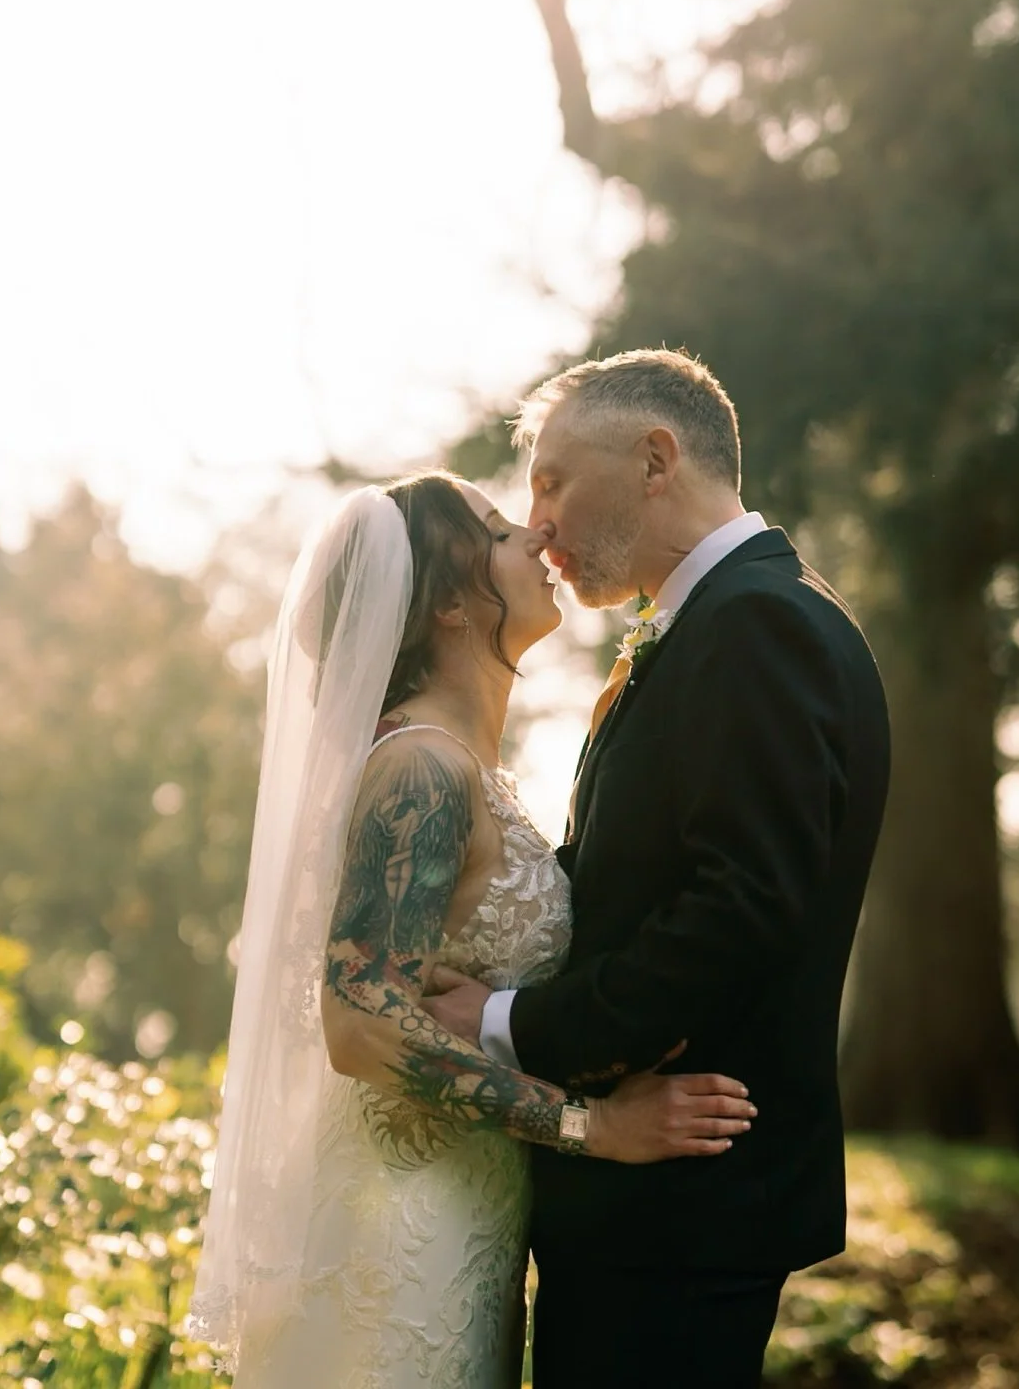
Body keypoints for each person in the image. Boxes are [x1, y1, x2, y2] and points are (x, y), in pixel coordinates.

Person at [190, 467, 756, 1387]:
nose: (538, 536)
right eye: (500, 530)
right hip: (401, 1226)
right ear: (450, 604)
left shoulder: (469, 771)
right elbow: (361, 1022)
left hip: (469, 1211)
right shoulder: (420, 771)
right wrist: (592, 1126)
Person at [426, 349, 891, 1388]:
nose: (535, 519)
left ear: (654, 458)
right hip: (657, 1208)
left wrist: (508, 1026)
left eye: (553, 480)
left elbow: (740, 906)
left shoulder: (756, 625)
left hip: (683, 1201)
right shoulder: (716, 625)